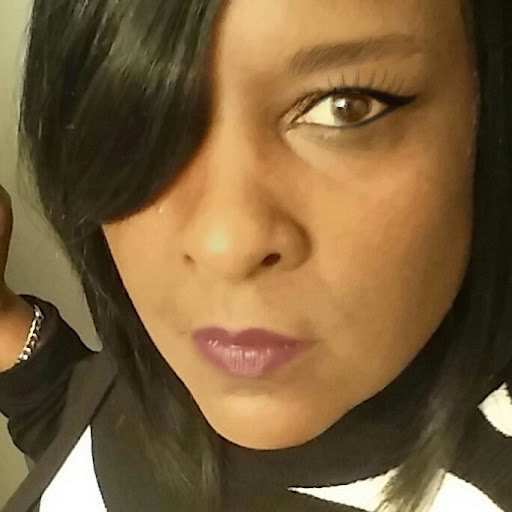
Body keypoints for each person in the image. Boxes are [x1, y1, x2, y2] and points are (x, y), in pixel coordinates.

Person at [0, 0, 511, 510]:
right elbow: (96, 434)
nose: (225, 245)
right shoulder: (162, 379)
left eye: (346, 106)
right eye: (136, 107)